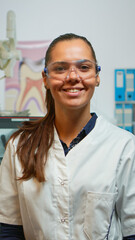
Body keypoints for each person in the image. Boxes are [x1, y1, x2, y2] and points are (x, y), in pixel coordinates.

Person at [0, 33, 135, 240]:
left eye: (84, 67)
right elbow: (9, 230)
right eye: (60, 68)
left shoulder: (124, 147)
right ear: (45, 78)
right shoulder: (19, 146)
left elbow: (131, 231)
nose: (73, 76)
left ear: (97, 77)